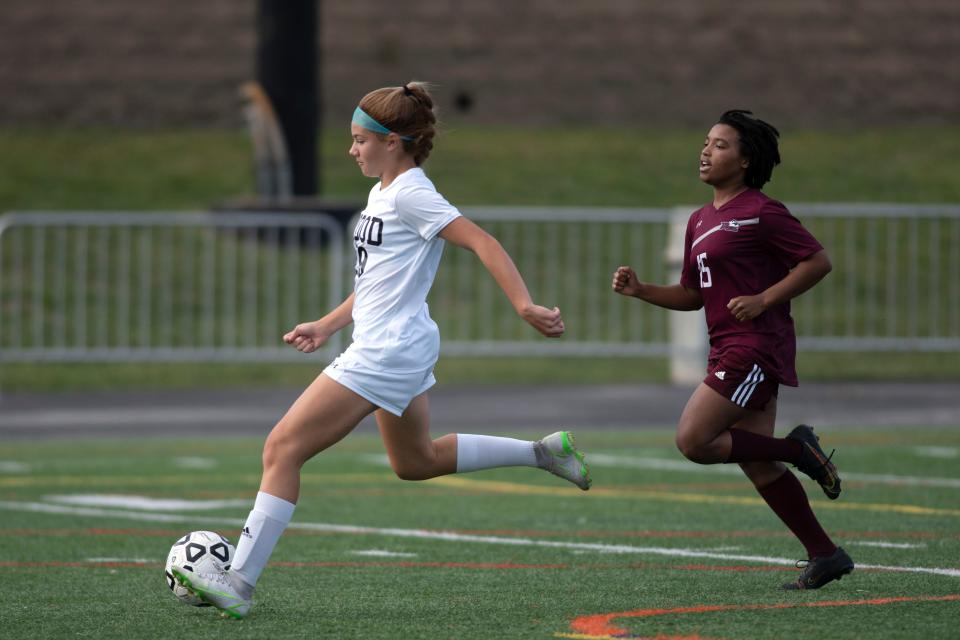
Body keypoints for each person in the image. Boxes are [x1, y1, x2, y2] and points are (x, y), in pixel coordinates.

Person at [172, 82, 591, 618]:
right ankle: (542, 452)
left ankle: (240, 581)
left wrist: (524, 305)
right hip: (399, 345)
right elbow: (377, 281)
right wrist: (326, 324)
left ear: (393, 142)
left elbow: (482, 241)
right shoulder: (384, 192)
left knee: (281, 448)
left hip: (388, 351)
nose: (352, 150)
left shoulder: (413, 192)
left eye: (359, 140)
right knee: (416, 461)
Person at [612, 110, 853, 591]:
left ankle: (799, 449)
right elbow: (692, 295)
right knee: (759, 465)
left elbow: (817, 261)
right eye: (706, 142)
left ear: (745, 160)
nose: (705, 151)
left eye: (720, 145)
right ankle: (826, 554)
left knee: (693, 440)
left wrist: (765, 298)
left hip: (755, 347)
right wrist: (642, 290)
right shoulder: (701, 220)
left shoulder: (763, 212)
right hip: (726, 345)